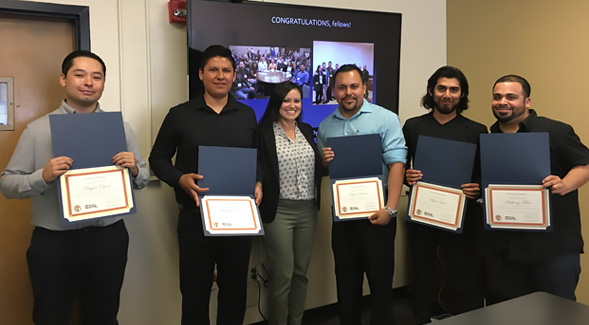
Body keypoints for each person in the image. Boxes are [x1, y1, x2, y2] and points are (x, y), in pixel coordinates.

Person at [0, 50, 150, 324]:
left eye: (96, 77)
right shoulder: (38, 130)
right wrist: (42, 177)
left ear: (104, 83)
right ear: (63, 79)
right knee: (50, 317)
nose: (88, 82)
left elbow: (142, 180)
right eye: (79, 75)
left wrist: (137, 169)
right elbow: (7, 183)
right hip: (54, 243)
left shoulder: (120, 128)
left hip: (109, 239)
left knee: (104, 316)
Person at [149, 45, 262, 324]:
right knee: (195, 294)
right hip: (194, 219)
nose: (220, 75)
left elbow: (257, 157)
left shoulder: (247, 114)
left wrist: (258, 181)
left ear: (235, 75)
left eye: (226, 70)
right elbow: (157, 158)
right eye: (213, 69)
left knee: (235, 295)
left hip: (237, 220)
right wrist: (179, 179)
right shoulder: (180, 114)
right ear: (201, 74)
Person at [484, 74, 589, 304]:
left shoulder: (555, 130)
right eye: (497, 97)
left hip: (554, 249)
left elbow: (585, 165)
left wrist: (565, 184)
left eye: (511, 97)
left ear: (527, 101)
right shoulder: (490, 138)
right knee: (519, 312)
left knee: (558, 313)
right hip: (510, 248)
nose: (503, 101)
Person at [317, 64, 407, 325]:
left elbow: (397, 165)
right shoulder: (325, 126)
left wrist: (390, 210)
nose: (348, 92)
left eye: (354, 86)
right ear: (333, 90)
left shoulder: (385, 118)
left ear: (365, 88)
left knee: (380, 283)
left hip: (377, 215)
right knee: (345, 283)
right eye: (342, 87)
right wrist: (324, 162)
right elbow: (326, 170)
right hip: (342, 219)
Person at [402, 66, 486, 324]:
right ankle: (421, 320)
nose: (447, 94)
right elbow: (400, 164)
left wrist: (478, 186)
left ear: (462, 94)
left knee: (464, 275)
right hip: (422, 213)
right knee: (422, 275)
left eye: (453, 89)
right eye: (441, 88)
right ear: (431, 91)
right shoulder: (414, 126)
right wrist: (407, 174)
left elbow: (487, 172)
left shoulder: (477, 129)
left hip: (461, 215)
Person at [258, 81, 324, 325]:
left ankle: (295, 321)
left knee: (300, 275)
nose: (292, 105)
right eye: (286, 100)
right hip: (279, 211)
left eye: (297, 101)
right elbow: (257, 164)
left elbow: (316, 167)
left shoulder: (306, 129)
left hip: (308, 210)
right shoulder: (264, 131)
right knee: (282, 275)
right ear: (277, 103)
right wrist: (256, 182)